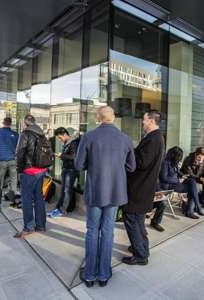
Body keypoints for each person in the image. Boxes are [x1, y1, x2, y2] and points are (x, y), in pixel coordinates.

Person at [74, 106, 136, 287]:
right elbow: (131, 167)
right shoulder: (125, 139)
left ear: (98, 118)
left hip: (95, 191)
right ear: (113, 117)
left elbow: (78, 165)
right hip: (115, 192)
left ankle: (90, 273)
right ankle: (103, 274)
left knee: (93, 231)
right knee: (108, 231)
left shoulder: (89, 137)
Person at [122, 110, 164, 266]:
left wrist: (129, 150)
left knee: (132, 220)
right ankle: (140, 248)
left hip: (139, 188)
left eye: (145, 120)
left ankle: (140, 255)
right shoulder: (156, 137)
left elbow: (141, 163)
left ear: (152, 121)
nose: (143, 122)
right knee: (137, 221)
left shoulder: (154, 139)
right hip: (144, 187)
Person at [14, 114, 49, 238]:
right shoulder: (42, 134)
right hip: (41, 170)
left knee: (27, 199)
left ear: (25, 123)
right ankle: (41, 225)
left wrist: (19, 170)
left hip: (29, 171)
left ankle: (28, 227)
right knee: (39, 197)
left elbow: (19, 153)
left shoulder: (26, 133)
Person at [159, 146, 204, 219]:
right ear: (174, 155)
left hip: (176, 182)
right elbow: (164, 178)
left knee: (192, 181)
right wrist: (178, 180)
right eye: (179, 157)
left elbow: (177, 171)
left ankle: (196, 207)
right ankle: (193, 209)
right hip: (170, 185)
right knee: (193, 188)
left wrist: (183, 176)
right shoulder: (165, 163)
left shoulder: (174, 162)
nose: (179, 159)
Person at [48, 127, 80, 218]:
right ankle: (58, 208)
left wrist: (61, 155)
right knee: (63, 190)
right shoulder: (67, 143)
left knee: (67, 190)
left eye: (60, 137)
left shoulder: (73, 143)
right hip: (66, 168)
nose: (59, 139)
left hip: (71, 170)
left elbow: (73, 157)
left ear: (65, 134)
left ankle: (62, 210)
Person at [0, 117, 19, 210]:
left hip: (1, 161)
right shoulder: (15, 134)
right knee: (13, 182)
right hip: (13, 161)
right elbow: (18, 149)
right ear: (10, 124)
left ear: (3, 123)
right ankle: (13, 201)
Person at [181, 147, 204, 211]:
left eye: (202, 157)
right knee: (195, 182)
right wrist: (201, 178)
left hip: (197, 177)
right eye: (199, 157)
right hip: (188, 177)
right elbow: (190, 174)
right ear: (195, 154)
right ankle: (193, 205)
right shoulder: (188, 159)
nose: (201, 159)